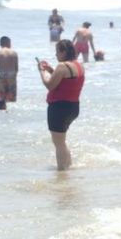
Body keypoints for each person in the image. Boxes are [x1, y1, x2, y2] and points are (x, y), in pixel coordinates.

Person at [39, 39, 85, 171]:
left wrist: (42, 72)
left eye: (57, 52)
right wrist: (51, 70)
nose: (56, 55)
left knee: (58, 143)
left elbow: (49, 85)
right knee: (61, 141)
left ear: (64, 52)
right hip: (73, 107)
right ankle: (68, 167)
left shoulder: (62, 66)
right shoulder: (78, 65)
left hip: (59, 107)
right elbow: (66, 80)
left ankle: (62, 172)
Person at [0, 36, 19, 110]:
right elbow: (16, 68)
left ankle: (1, 115)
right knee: (11, 101)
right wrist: (14, 79)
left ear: (0, 44)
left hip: (1, 77)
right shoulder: (14, 53)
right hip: (11, 77)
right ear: (7, 43)